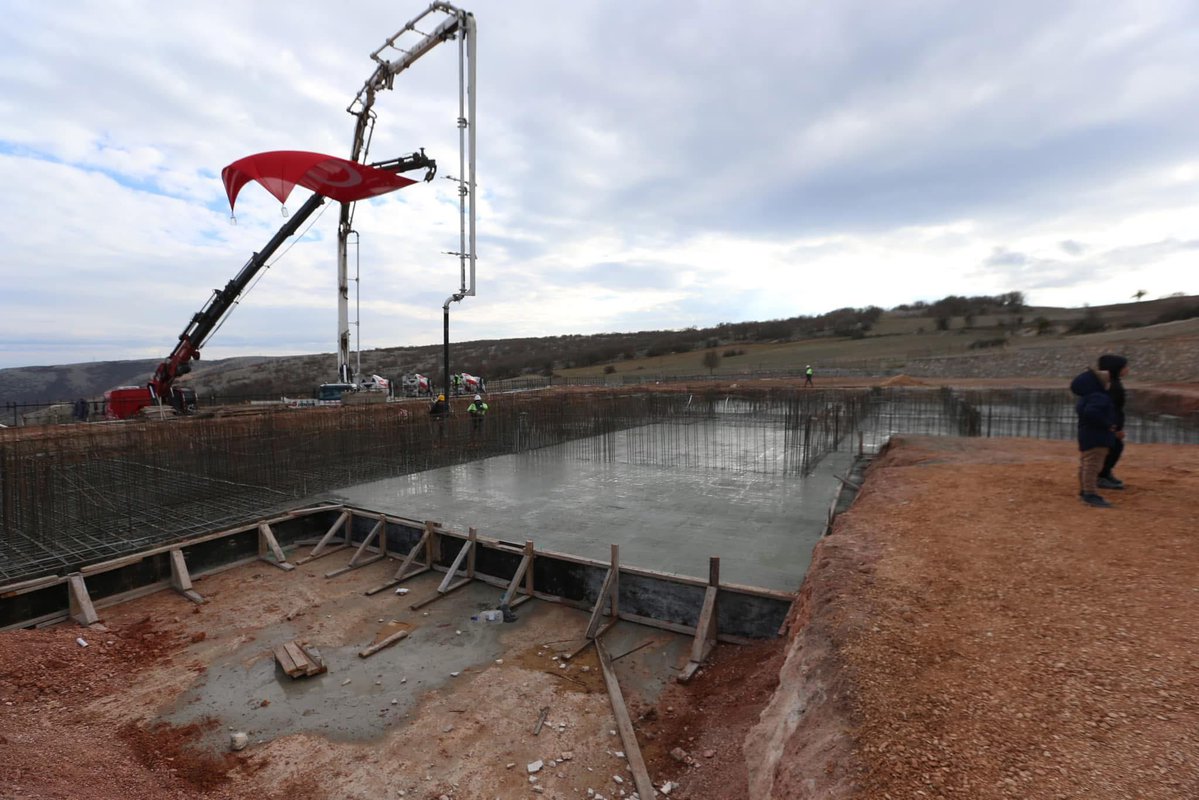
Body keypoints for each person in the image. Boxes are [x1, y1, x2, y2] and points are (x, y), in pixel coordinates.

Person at [1070, 365, 1118, 508]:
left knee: (1086, 464)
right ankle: (1090, 494)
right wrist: (1108, 424)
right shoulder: (1099, 397)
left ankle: (1085, 491)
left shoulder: (1086, 398)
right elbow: (1092, 413)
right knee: (1092, 466)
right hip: (1097, 438)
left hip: (1088, 436)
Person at [1096, 354, 1129, 489]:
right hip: (1108, 425)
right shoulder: (1112, 386)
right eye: (1125, 367)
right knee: (1111, 449)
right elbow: (1111, 409)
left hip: (1110, 424)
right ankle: (1101, 476)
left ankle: (1105, 473)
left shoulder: (1112, 383)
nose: (1127, 369)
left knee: (1114, 448)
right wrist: (1114, 428)